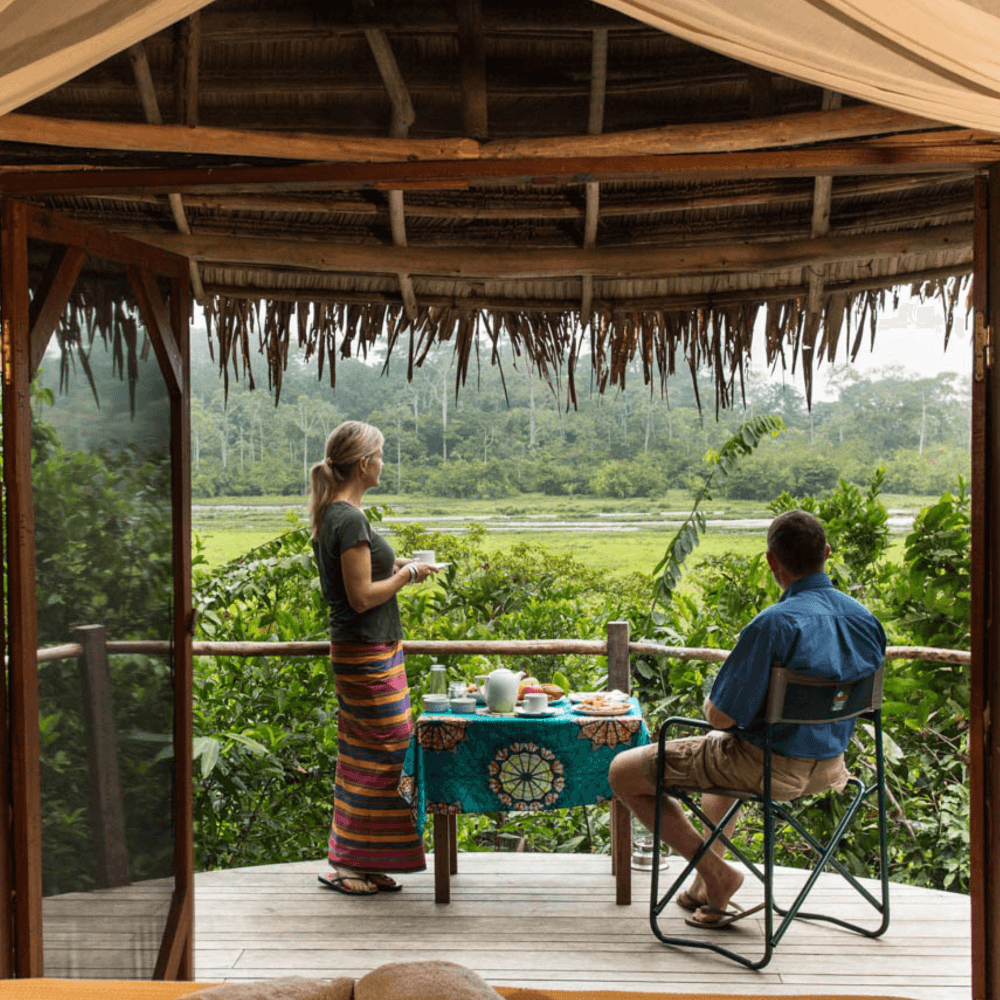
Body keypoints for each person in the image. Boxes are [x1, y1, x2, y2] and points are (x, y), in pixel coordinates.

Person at [609, 509, 886, 928]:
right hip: (831, 767)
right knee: (721, 763)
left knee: (624, 772)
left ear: (772, 562)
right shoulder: (866, 620)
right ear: (826, 553)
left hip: (768, 767)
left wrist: (714, 703)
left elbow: (720, 718)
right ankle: (707, 884)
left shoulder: (774, 624)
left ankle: (719, 874)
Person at [310, 420, 438, 896]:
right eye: (380, 455)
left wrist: (401, 567)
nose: (384, 463)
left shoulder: (341, 515)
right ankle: (345, 862)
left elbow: (362, 580)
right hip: (365, 652)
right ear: (365, 463)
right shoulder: (348, 519)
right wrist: (407, 577)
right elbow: (361, 597)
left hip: (373, 650)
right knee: (385, 755)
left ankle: (361, 860)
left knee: (375, 753)